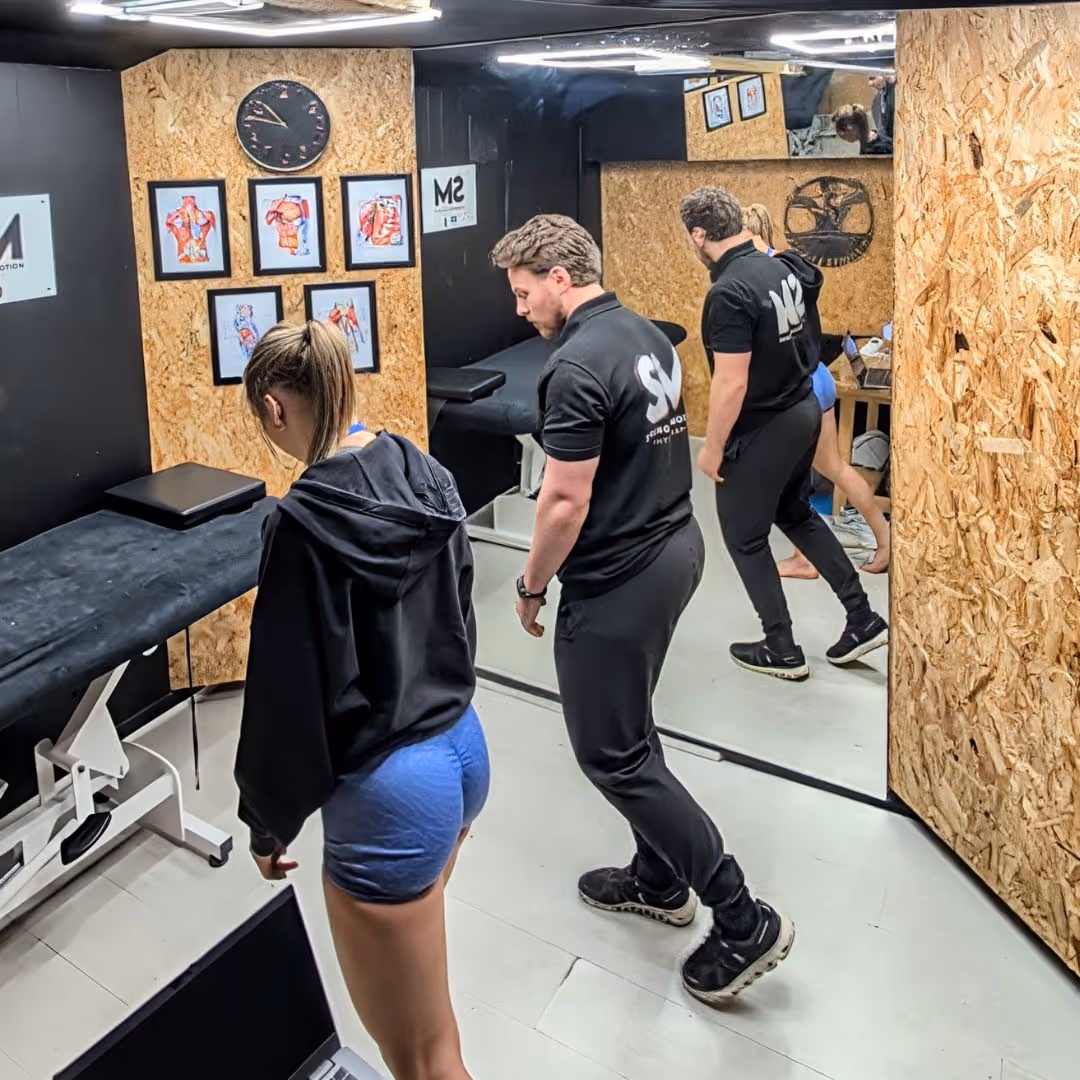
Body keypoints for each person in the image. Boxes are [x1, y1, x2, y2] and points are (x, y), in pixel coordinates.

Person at [489, 214, 794, 1005]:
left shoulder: (576, 365)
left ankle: (740, 916)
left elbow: (561, 500)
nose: (521, 310)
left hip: (622, 577)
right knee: (630, 724)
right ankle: (658, 877)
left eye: (525, 294)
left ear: (560, 278)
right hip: (674, 550)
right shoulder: (644, 333)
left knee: (612, 754)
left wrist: (529, 588)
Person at [234, 320, 487, 1080]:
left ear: (276, 408)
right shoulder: (419, 467)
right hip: (462, 749)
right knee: (428, 1010)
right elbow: (463, 604)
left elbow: (289, 689)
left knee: (424, 1057)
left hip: (394, 790)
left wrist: (266, 818)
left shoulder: (301, 523)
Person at [682, 187, 888, 681]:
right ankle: (861, 618)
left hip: (766, 424)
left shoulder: (728, 291)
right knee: (795, 513)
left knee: (743, 535)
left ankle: (780, 646)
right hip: (803, 409)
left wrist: (711, 449)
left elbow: (732, 382)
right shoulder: (778, 267)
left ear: (699, 234)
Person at [741, 203, 890, 576]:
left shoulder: (755, 276)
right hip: (816, 375)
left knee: (791, 475)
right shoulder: (791, 265)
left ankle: (807, 558)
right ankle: (881, 542)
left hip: (796, 386)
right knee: (830, 467)